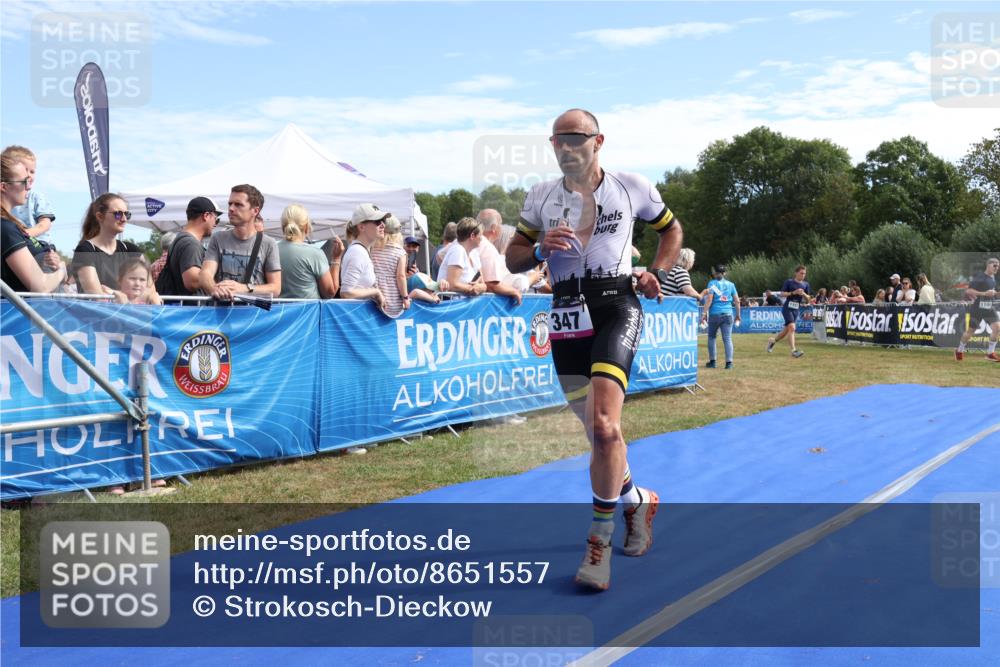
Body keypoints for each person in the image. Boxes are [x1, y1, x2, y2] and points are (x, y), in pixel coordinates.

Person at [506, 108, 682, 590]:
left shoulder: (631, 186)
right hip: (566, 312)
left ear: (598, 141)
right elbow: (513, 256)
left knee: (605, 425)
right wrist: (538, 249)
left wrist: (657, 272)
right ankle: (637, 501)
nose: (565, 147)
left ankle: (598, 543)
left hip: (615, 305)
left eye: (575, 138)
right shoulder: (540, 196)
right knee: (598, 436)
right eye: (557, 140)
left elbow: (671, 230)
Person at [201, 184, 281, 301]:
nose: (231, 208)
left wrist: (243, 288)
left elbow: (275, 288)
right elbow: (205, 274)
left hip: (253, 312)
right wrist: (214, 289)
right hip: (222, 310)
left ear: (255, 211)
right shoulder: (218, 238)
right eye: (230, 204)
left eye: (238, 204)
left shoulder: (268, 243)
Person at [1, 153, 66, 293]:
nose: (29, 187)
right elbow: (41, 286)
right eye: (24, 181)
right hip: (24, 307)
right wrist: (62, 270)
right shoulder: (5, 228)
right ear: (4, 187)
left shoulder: (9, 226)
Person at [71, 193, 151, 299]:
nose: (124, 219)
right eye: (118, 214)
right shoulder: (85, 250)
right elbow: (97, 296)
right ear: (100, 216)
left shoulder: (132, 250)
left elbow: (150, 291)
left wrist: (113, 293)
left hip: (129, 309)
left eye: (127, 214)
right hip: (97, 311)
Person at [155, 196, 222, 298]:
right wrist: (218, 284)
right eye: (216, 219)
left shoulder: (180, 239)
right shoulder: (191, 244)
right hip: (190, 306)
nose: (215, 224)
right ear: (206, 215)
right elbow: (192, 282)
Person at [277, 203, 336, 299]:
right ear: (306, 227)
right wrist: (336, 260)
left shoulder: (271, 250)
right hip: (308, 308)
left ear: (283, 226)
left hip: (278, 308)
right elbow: (329, 293)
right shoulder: (314, 253)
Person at [3, 145, 55, 243]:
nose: (29, 176)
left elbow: (45, 224)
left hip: (39, 243)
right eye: (25, 170)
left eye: (32, 171)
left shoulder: (36, 197)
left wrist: (25, 235)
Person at [340, 203, 387, 308]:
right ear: (361, 227)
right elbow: (346, 293)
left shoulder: (361, 250)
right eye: (377, 221)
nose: (383, 225)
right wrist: (375, 292)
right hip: (355, 313)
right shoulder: (358, 252)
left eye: (383, 221)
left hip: (358, 313)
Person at [955, 257, 999, 362]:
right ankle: (959, 350)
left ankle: (990, 353)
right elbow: (968, 291)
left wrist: (995, 294)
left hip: (989, 308)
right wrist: (984, 293)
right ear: (988, 265)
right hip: (977, 309)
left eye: (998, 266)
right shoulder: (980, 277)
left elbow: (991, 293)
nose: (996, 268)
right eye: (994, 265)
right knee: (970, 331)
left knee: (997, 328)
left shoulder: (993, 277)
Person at [476, 209, 522, 305]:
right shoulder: (487, 247)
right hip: (476, 305)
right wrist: (515, 291)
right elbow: (492, 285)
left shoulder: (464, 240)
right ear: (493, 227)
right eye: (500, 224)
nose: (501, 228)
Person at [701, 264, 741, 369]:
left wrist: (703, 314)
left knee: (711, 337)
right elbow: (737, 301)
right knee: (727, 339)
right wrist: (738, 315)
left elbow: (709, 300)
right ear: (725, 273)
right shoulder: (731, 285)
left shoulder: (712, 283)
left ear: (715, 273)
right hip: (728, 314)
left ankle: (713, 362)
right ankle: (729, 363)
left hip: (715, 314)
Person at [767, 264, 810, 358]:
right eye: (801, 273)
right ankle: (794, 351)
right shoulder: (789, 282)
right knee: (792, 327)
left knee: (786, 331)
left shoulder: (805, 284)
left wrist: (803, 294)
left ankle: (772, 341)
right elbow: (782, 294)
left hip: (796, 309)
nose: (803, 275)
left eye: (804, 273)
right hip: (787, 308)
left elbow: (808, 299)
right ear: (796, 273)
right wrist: (793, 293)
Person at [437, 217, 486, 297]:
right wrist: (472, 289)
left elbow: (483, 283)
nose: (482, 238)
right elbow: (452, 284)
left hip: (466, 303)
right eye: (480, 235)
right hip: (453, 302)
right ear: (472, 236)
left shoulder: (474, 253)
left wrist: (482, 287)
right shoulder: (458, 251)